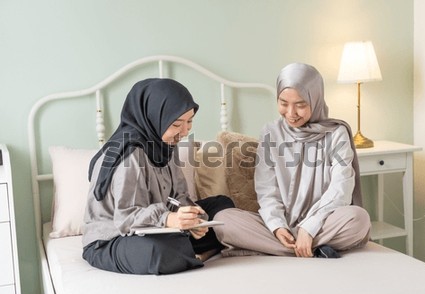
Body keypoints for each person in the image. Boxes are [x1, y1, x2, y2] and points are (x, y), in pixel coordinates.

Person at [214, 63, 371, 258]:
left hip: (324, 222)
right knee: (223, 220)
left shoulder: (336, 134)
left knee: (359, 219)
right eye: (283, 103)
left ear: (316, 99)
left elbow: (341, 190)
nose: (291, 113)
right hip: (281, 225)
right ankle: (310, 248)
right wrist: (277, 227)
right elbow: (266, 190)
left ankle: (276, 248)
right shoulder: (271, 132)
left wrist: (310, 227)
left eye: (300, 104)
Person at [82, 78, 234, 274]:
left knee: (222, 204)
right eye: (177, 124)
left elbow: (178, 196)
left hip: (157, 227)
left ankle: (186, 248)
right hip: (115, 238)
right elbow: (126, 218)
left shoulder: (165, 144)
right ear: (154, 117)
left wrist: (194, 219)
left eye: (189, 122)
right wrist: (168, 219)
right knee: (159, 251)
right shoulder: (129, 155)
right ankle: (194, 251)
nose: (185, 131)